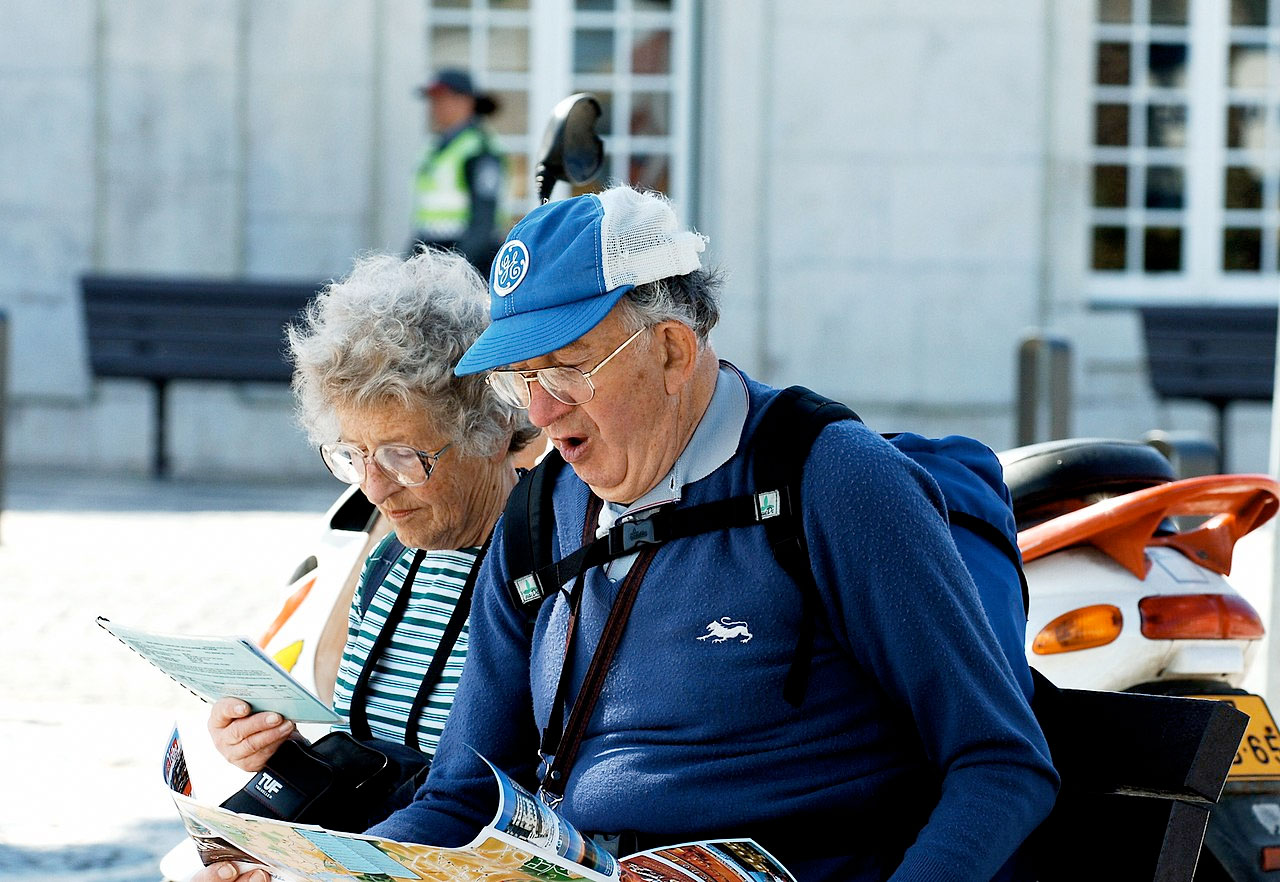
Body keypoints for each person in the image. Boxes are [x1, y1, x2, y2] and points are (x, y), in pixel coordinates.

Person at [199, 187, 1056, 882]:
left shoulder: (829, 480)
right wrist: (318, 870)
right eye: (520, 377)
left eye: (566, 370)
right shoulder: (542, 513)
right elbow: (461, 796)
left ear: (675, 351)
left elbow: (1000, 764)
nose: (539, 413)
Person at [205, 248, 537, 822]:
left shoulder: (550, 564)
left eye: (403, 455)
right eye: (354, 455)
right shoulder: (390, 563)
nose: (375, 489)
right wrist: (273, 752)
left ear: (490, 428)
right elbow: (373, 764)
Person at [407, 68, 507, 274]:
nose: (434, 107)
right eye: (433, 100)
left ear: (465, 102)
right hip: (434, 252)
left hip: (468, 260)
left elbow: (483, 221)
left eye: (441, 99)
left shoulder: (480, 149)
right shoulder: (436, 147)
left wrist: (454, 269)